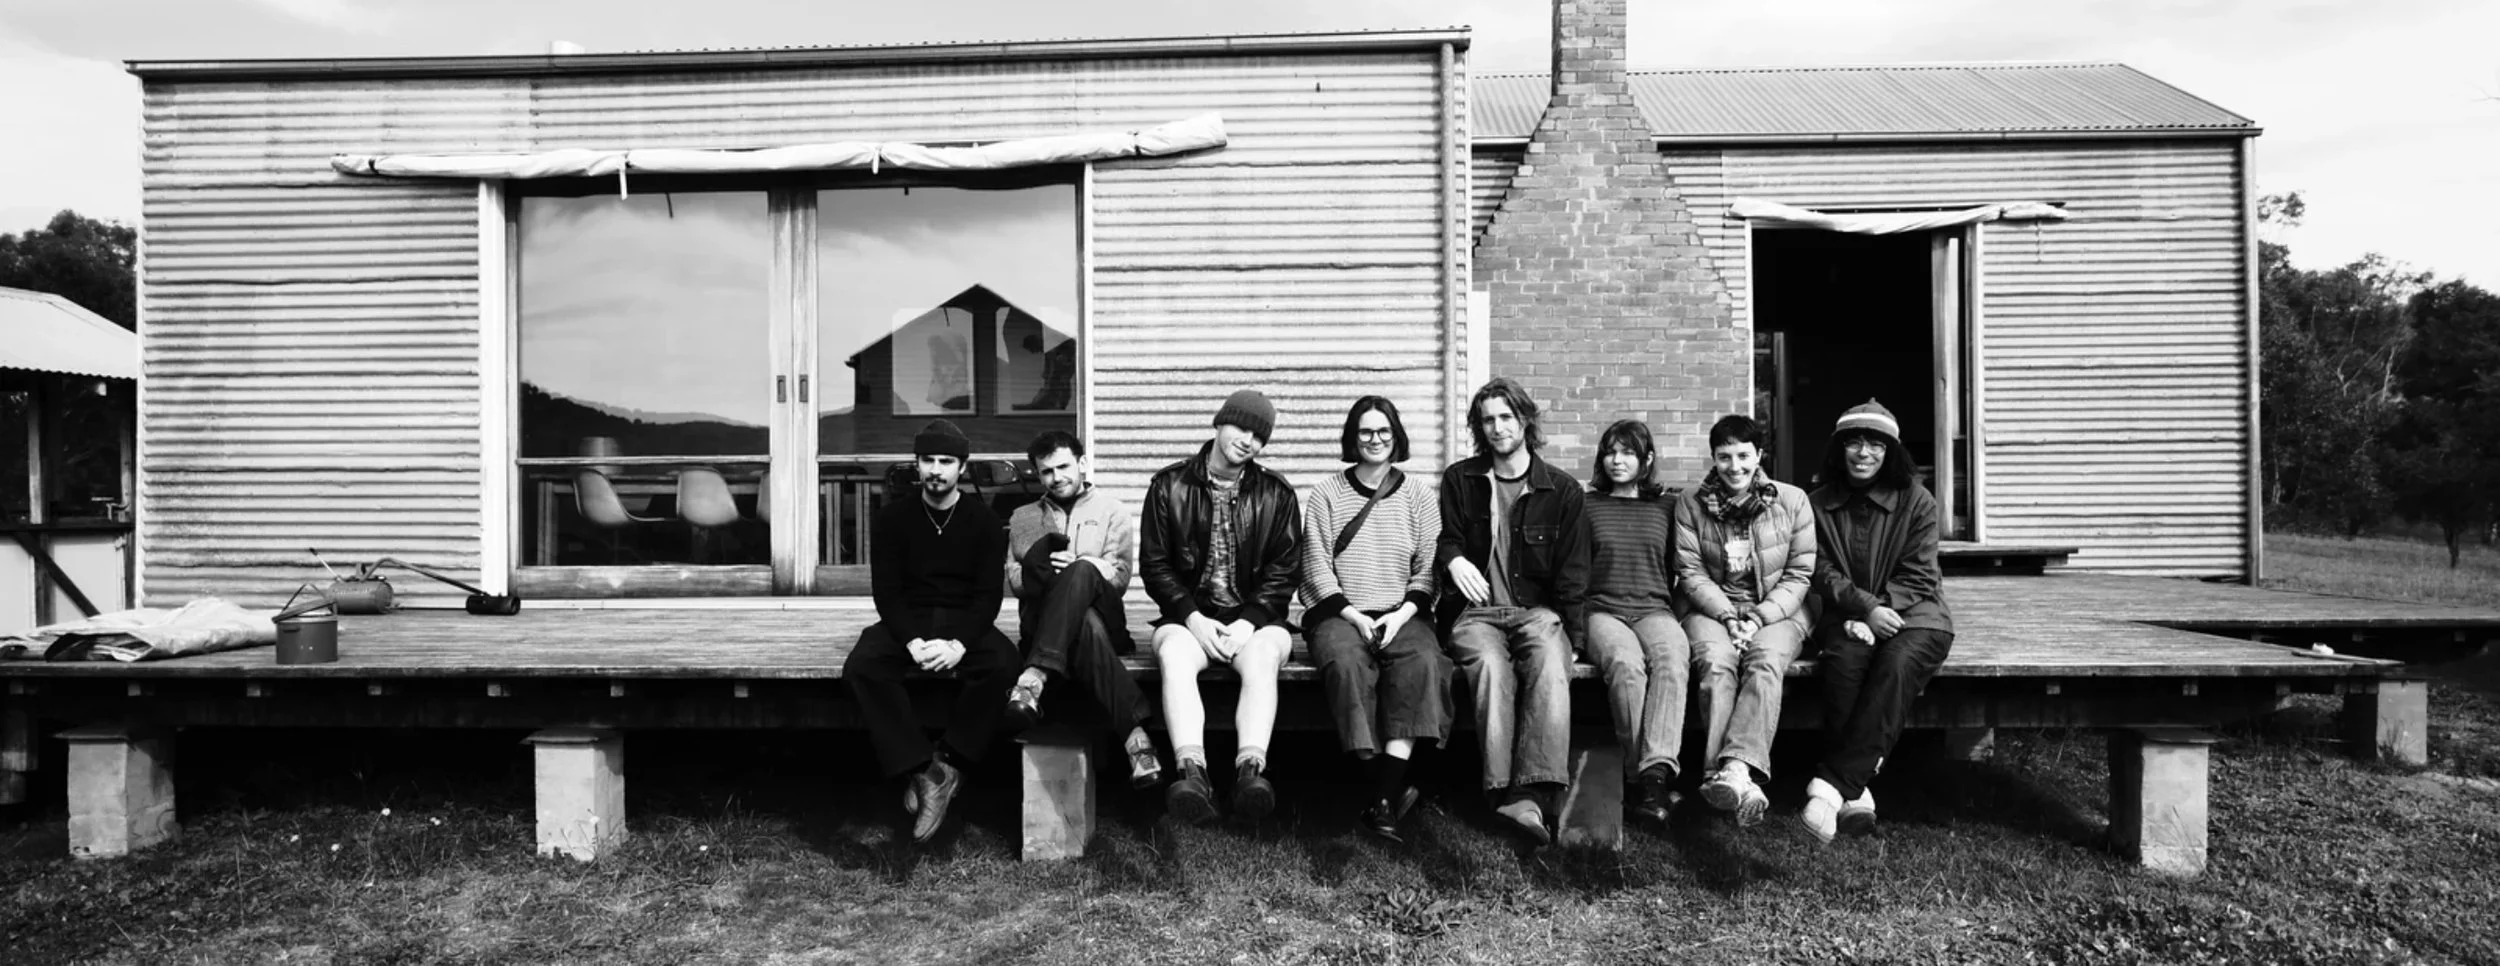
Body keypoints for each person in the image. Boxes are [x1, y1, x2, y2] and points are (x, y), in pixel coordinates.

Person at [841, 418, 1020, 843]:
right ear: (917, 464)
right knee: (863, 666)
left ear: (962, 467)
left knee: (1003, 664)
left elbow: (987, 598)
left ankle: (950, 761)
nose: (936, 469)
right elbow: (887, 593)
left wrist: (959, 644)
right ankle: (923, 770)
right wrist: (911, 641)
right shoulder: (892, 519)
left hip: (963, 620)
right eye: (928, 460)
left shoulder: (984, 521)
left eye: (946, 461)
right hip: (910, 619)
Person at [1436, 377, 1588, 845]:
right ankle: (1502, 793)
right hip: (1475, 615)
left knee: (1549, 660)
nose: (1498, 427)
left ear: (1525, 420)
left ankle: (1532, 793)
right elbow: (1447, 538)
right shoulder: (1460, 479)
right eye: (1488, 420)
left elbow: (1573, 572)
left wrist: (1575, 640)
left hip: (1535, 611)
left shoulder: (1561, 490)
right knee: (1490, 667)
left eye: (1506, 417)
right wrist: (1453, 558)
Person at [1141, 389, 1304, 825]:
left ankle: (1250, 772)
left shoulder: (1276, 493)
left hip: (1256, 622)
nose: (1248, 440)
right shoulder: (1168, 486)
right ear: (1220, 422)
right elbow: (1155, 566)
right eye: (1241, 427)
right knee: (1173, 654)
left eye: (1259, 436)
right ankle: (1193, 775)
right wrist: (1193, 618)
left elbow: (1285, 569)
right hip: (1188, 619)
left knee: (1264, 656)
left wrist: (1250, 622)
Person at [1801, 400, 1954, 842]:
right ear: (1839, 448)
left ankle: (1832, 786)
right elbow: (1819, 568)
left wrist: (1880, 610)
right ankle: (1858, 794)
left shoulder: (1917, 500)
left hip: (1918, 614)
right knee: (1844, 664)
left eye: (1876, 444)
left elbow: (1921, 574)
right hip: (1848, 613)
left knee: (1896, 665)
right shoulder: (1816, 502)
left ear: (1891, 452)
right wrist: (1865, 609)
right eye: (1854, 441)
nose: (1864, 452)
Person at [1301, 396, 1452, 842]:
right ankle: (1385, 787)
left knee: (1423, 663)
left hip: (1402, 613)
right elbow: (1316, 566)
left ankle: (1380, 799)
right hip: (1340, 612)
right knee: (1346, 665)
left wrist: (1401, 615)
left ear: (1396, 435)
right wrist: (1353, 616)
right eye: (1365, 431)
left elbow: (1428, 569)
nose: (1375, 439)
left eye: (1384, 431)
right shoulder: (1327, 493)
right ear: (1353, 437)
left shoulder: (1419, 495)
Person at [1674, 413, 1816, 829]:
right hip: (1711, 607)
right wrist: (1728, 616)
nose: (1733, 467)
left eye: (1742, 456)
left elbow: (1799, 574)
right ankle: (1736, 781)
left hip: (1778, 608)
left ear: (1759, 455)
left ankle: (1732, 769)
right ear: (1713, 458)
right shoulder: (1691, 503)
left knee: (1765, 661)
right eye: (1724, 457)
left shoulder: (1792, 500)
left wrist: (1756, 619)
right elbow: (1690, 572)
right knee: (1716, 663)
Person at [1003, 429, 1159, 788]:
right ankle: (1136, 739)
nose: (1056, 477)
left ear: (1082, 463)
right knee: (1084, 624)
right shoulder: (1024, 517)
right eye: (1046, 471)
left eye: (1063, 467)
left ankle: (1034, 677)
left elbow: (1120, 577)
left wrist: (1081, 565)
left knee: (1083, 572)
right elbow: (1015, 580)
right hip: (1048, 625)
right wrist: (1042, 570)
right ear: (1037, 474)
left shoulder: (1111, 510)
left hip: (1105, 613)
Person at [1581, 418, 1690, 826]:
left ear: (1647, 459)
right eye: (1610, 452)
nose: (1617, 460)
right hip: (1601, 610)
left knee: (1673, 658)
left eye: (1627, 452)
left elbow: (1684, 563)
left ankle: (1653, 775)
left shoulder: (1668, 506)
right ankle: (1644, 780)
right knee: (1627, 666)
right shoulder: (1587, 505)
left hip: (1654, 609)